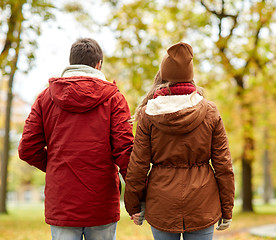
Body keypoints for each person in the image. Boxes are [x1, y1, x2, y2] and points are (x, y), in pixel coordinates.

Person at [18, 38, 134, 240]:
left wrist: (56, 165)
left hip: (62, 199)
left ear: (71, 63)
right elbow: (125, 152)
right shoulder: (114, 99)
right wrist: (138, 193)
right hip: (101, 201)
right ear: (98, 65)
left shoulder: (45, 98)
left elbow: (27, 149)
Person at [124, 42, 235, 240]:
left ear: (164, 75)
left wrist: (134, 205)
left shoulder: (149, 113)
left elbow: (138, 165)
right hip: (203, 203)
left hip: (162, 203)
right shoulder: (210, 111)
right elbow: (223, 165)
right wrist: (227, 208)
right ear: (190, 75)